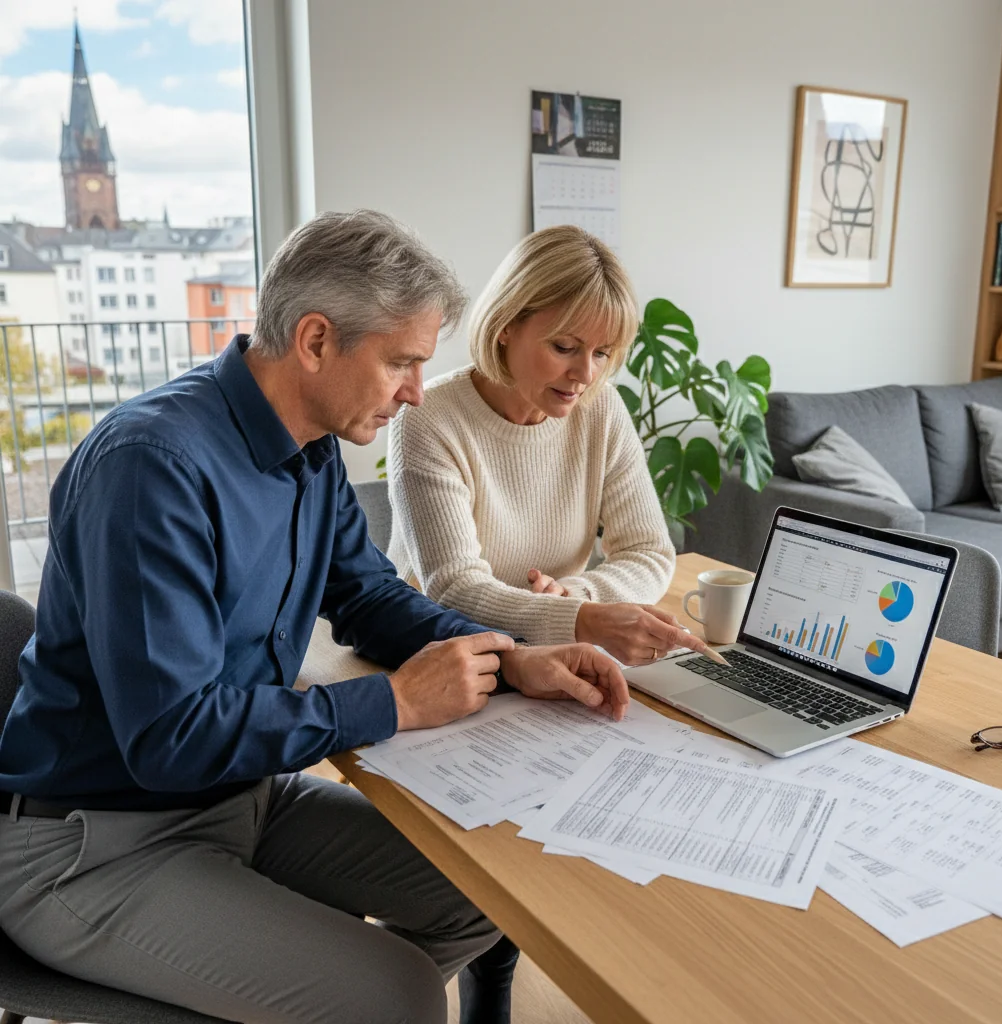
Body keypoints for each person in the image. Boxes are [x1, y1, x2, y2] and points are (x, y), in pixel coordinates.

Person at [0, 211, 630, 1024]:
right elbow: (171, 737)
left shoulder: (312, 444)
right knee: (396, 996)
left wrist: (510, 657)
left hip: (239, 802)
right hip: (94, 846)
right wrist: (396, 703)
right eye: (402, 362)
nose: (414, 392)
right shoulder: (150, 469)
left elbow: (367, 595)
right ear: (316, 340)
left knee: (490, 889)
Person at [387, 224, 713, 1022]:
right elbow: (452, 584)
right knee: (475, 856)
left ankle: (494, 974)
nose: (587, 374)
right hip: (441, 657)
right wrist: (577, 618)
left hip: (551, 654)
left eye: (604, 354)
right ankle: (470, 980)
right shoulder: (430, 420)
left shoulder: (600, 412)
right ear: (507, 328)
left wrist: (577, 597)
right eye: (567, 347)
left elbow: (648, 549)